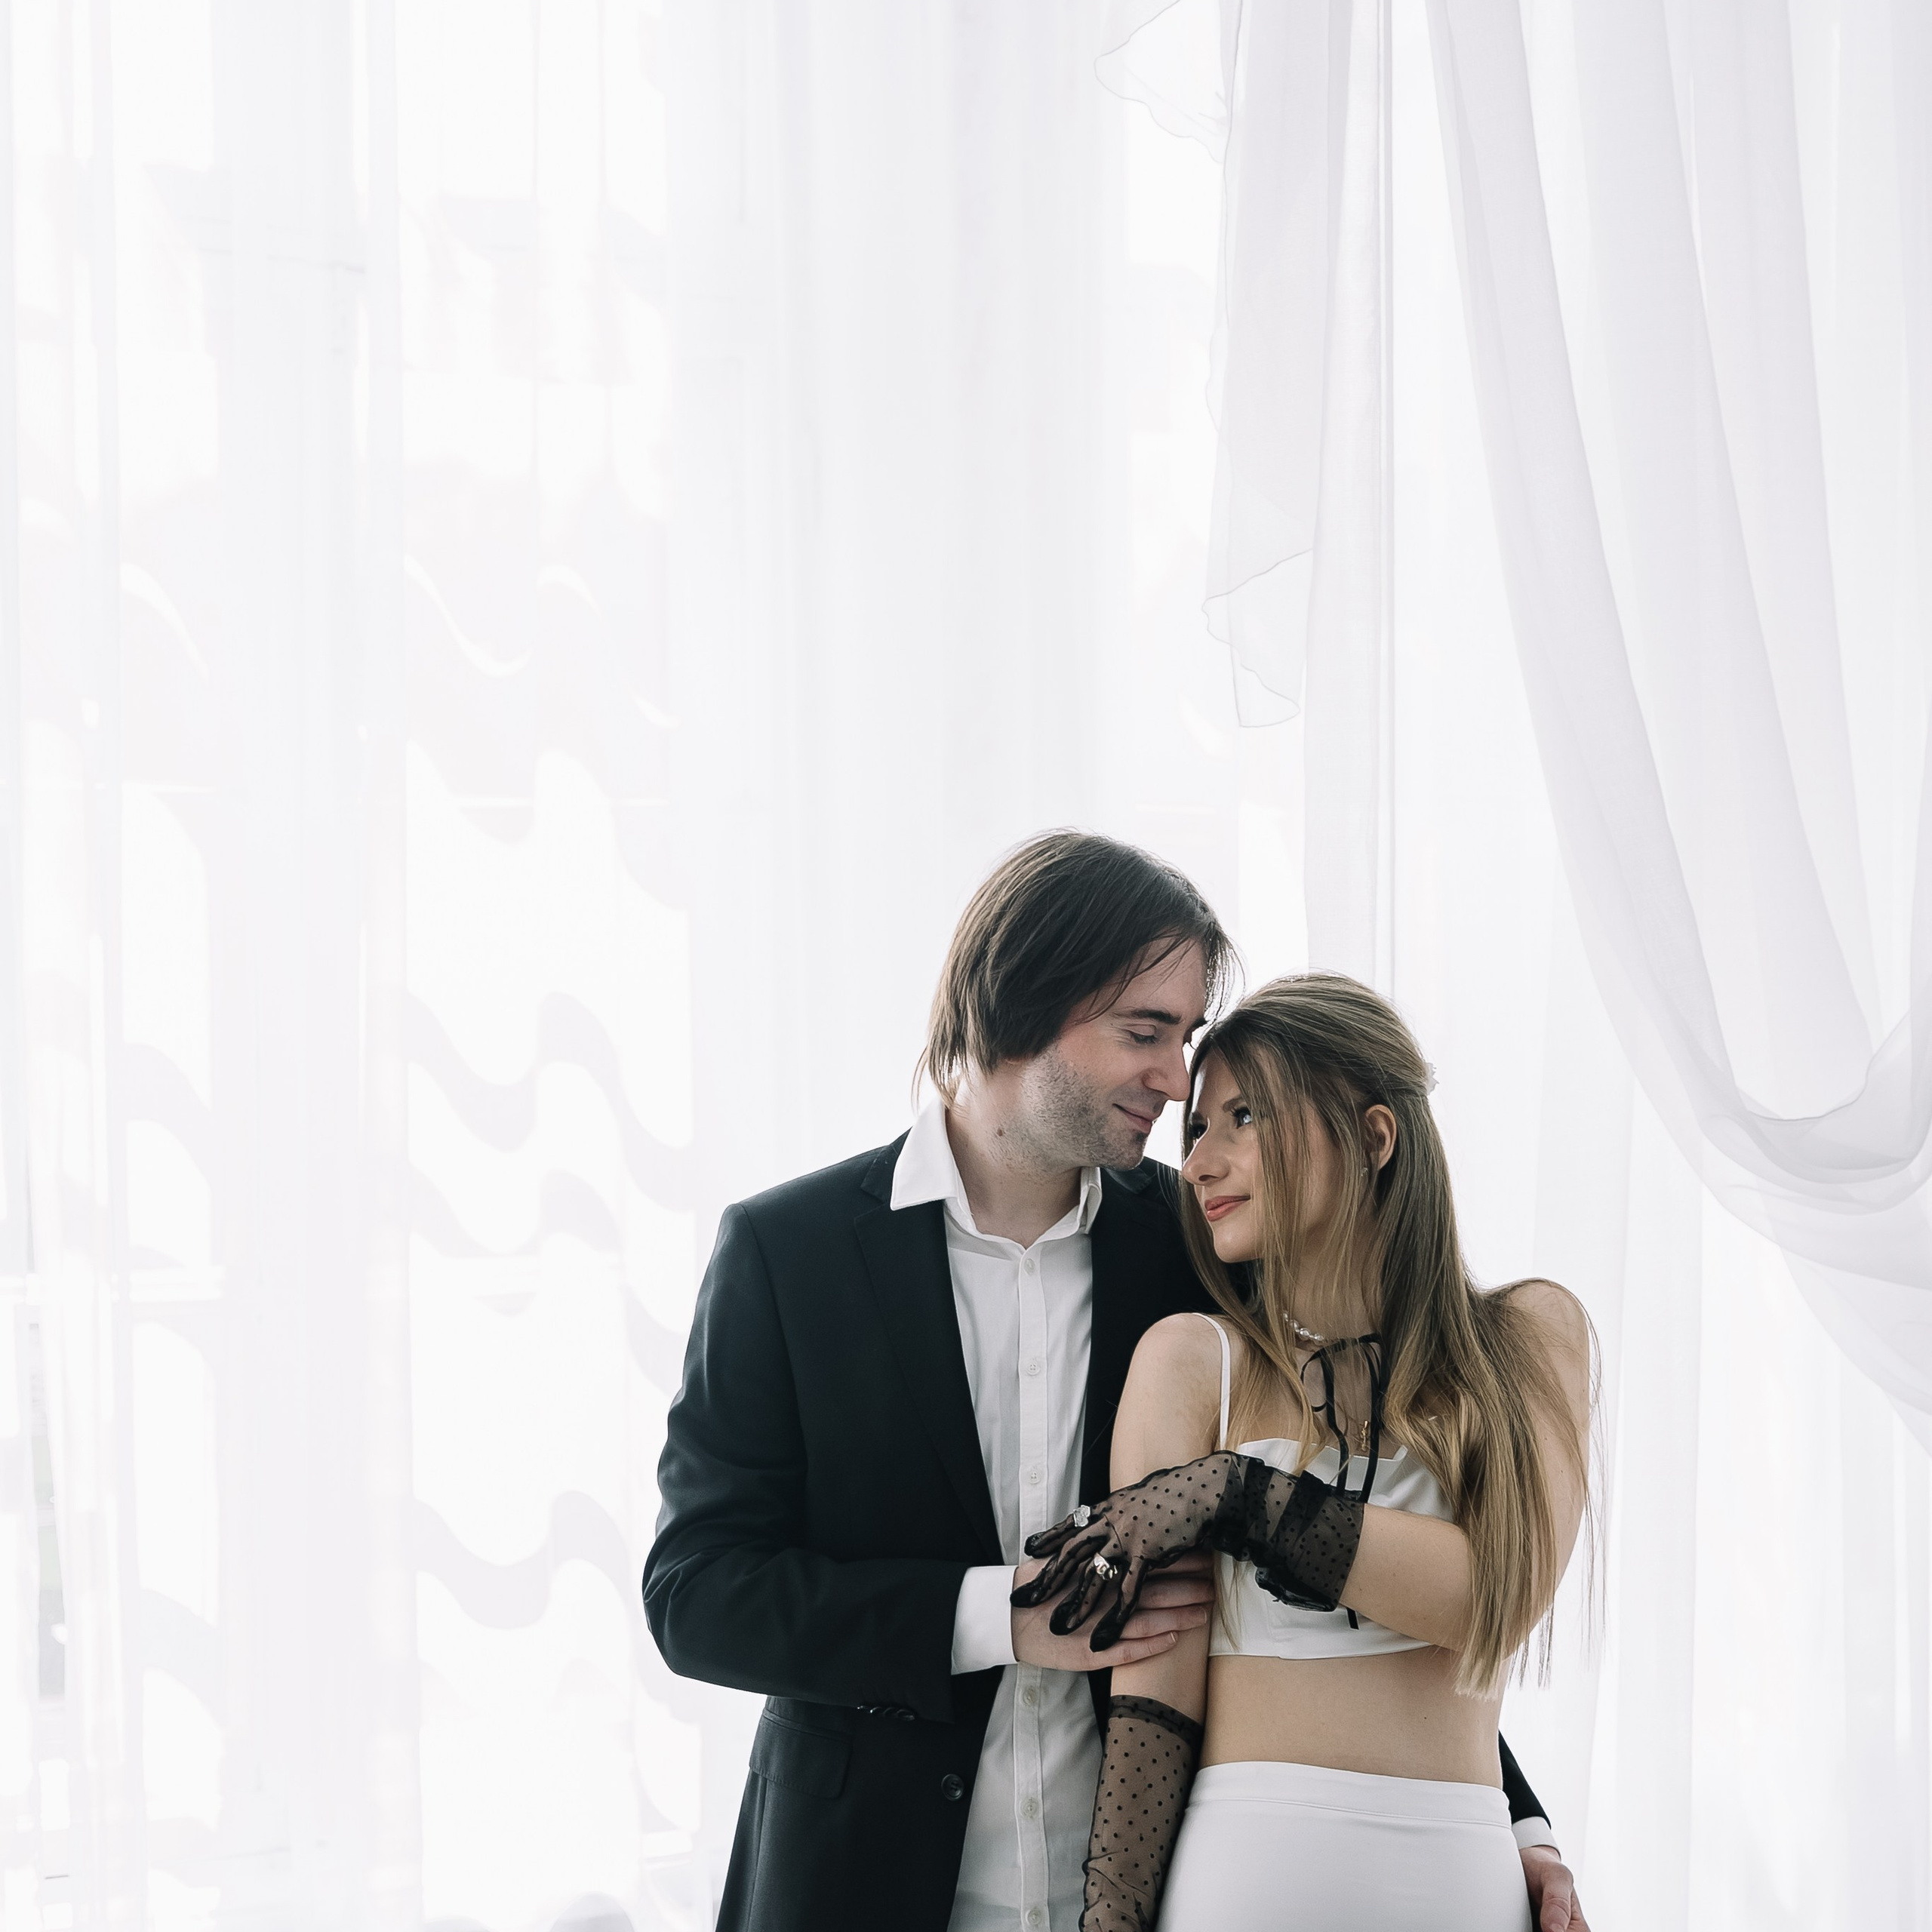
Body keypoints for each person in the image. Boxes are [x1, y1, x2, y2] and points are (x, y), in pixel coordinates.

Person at [644, 834, 1586, 1932]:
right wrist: (1002, 1616)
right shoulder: (788, 1253)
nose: (1178, 1080)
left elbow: (1344, 1559)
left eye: (1184, 1037)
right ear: (1019, 1003)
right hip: (862, 1888)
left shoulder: (1199, 1252)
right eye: (1146, 1032)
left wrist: (1515, 1825)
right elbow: (696, 1595)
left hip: (1156, 1884)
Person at [1014, 974, 1595, 1930]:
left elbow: (1495, 1595)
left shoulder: (1532, 1337)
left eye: (1243, 1117)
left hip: (1465, 1884)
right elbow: (1154, 1692)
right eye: (1197, 1128)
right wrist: (1109, 1919)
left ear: (1374, 1137)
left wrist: (1236, 1493)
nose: (1198, 1163)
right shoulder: (1191, 1361)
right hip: (1244, 1880)